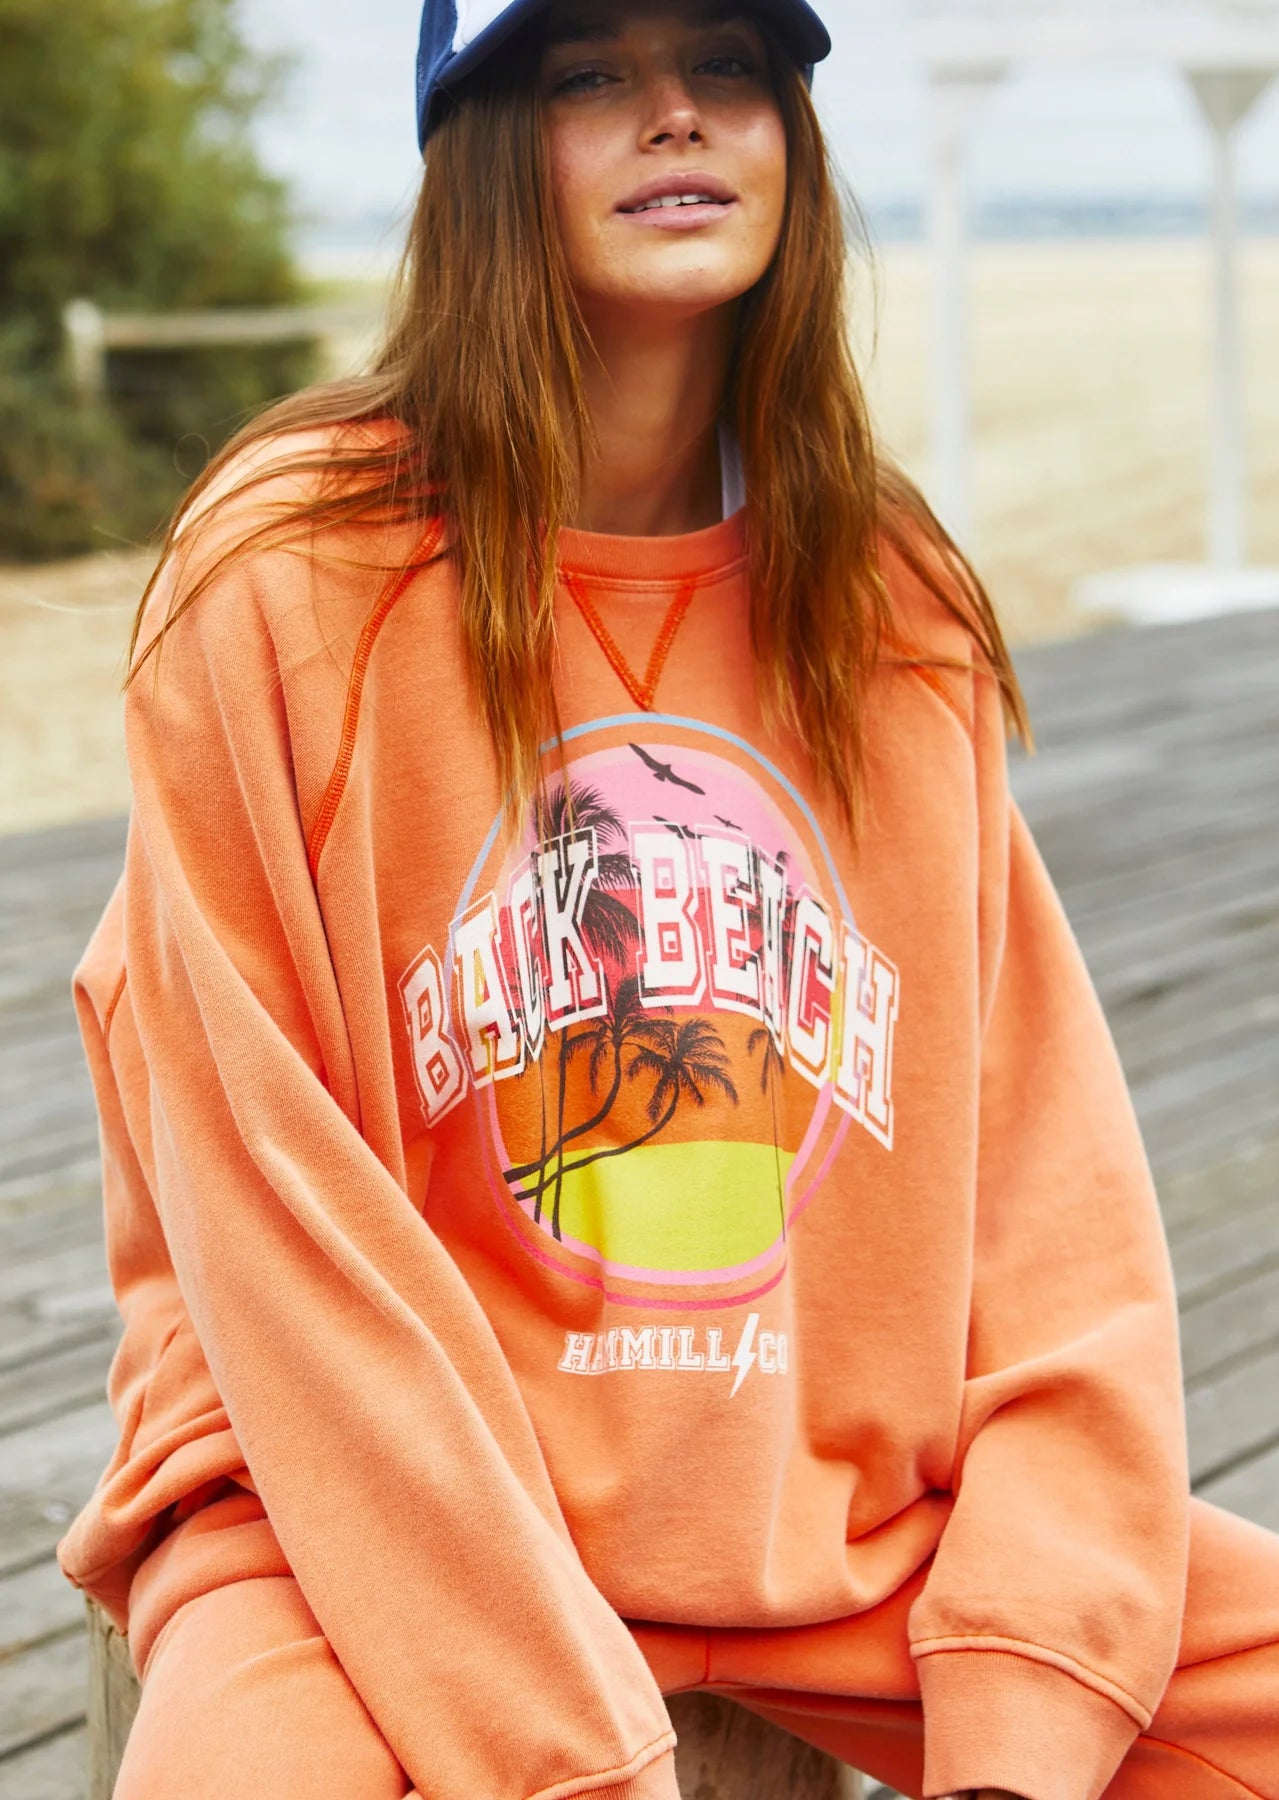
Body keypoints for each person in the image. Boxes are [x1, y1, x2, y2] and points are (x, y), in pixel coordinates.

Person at [55, 0, 1279, 1796]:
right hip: (343, 1524)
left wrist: (1019, 1732)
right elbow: (266, 1215)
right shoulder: (287, 570)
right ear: (481, 148)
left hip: (824, 1522)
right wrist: (570, 1753)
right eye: (589, 76)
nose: (676, 116)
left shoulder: (887, 599)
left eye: (725, 67)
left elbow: (1047, 1215)